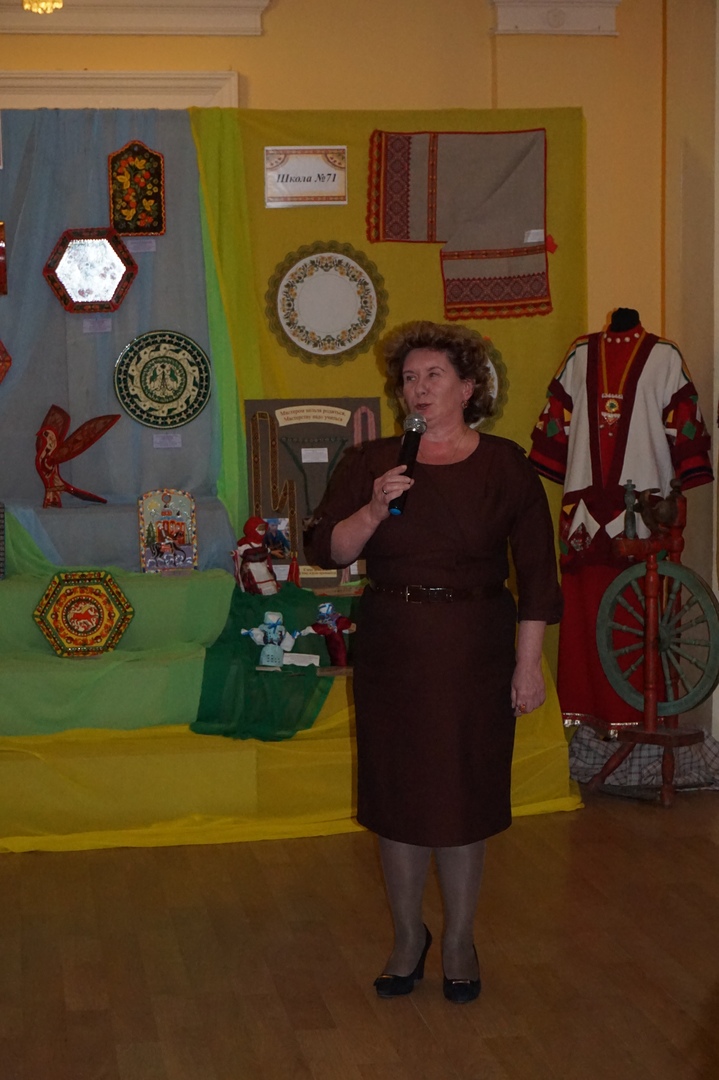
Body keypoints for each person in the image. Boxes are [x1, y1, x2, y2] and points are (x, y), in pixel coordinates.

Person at [304, 320, 562, 1004]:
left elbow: (538, 578)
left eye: (433, 376)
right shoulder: (373, 462)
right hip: (394, 643)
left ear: (469, 387)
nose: (417, 389)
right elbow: (327, 549)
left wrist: (527, 666)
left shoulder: (505, 465)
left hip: (475, 647)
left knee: (462, 794)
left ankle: (458, 941)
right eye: (409, 379)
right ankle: (405, 938)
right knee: (398, 797)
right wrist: (371, 509)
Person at [528, 308, 713, 728]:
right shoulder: (579, 354)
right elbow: (556, 427)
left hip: (645, 512)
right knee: (585, 613)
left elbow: (684, 428)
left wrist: (689, 469)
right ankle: (588, 718)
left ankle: (640, 721)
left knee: (644, 615)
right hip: (584, 513)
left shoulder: (665, 356)